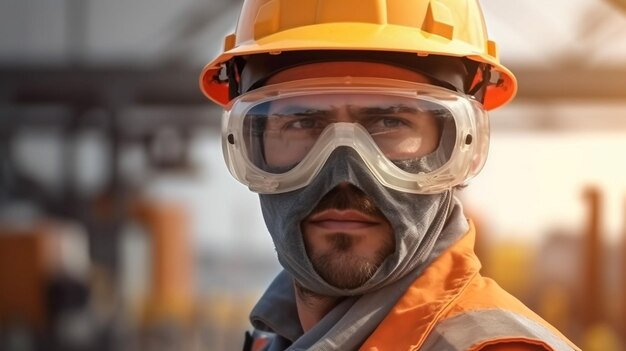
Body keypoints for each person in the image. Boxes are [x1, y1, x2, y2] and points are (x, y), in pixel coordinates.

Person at [199, 1, 581, 350]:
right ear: (248, 144)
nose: (343, 176)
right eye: (302, 121)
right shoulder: (275, 339)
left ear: (461, 145)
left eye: (389, 121)